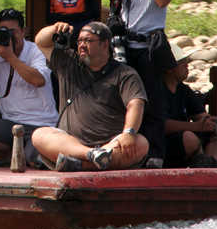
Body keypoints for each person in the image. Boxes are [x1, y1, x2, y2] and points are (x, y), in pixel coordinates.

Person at [31, 21, 149, 171]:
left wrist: (129, 132)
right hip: (71, 145)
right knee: (39, 135)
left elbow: (136, 103)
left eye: (87, 40)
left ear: (105, 44)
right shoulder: (68, 63)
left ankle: (79, 164)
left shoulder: (125, 73)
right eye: (79, 41)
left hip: (110, 145)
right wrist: (55, 28)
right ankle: (91, 156)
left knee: (141, 143)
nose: (81, 45)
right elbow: (41, 42)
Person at [106, 0, 179, 166]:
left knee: (152, 100)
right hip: (126, 45)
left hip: (150, 47)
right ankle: (124, 150)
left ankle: (155, 154)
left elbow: (161, 0)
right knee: (125, 97)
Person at [0, 8, 56, 161]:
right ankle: (14, 158)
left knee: (35, 160)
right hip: (11, 122)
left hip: (42, 123)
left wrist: (10, 57)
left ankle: (25, 158)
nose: (10, 36)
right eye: (4, 32)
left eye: (13, 32)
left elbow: (38, 80)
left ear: (23, 32)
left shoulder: (35, 51)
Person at [163, 44, 217, 168]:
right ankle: (208, 164)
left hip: (188, 139)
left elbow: (199, 114)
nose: (187, 65)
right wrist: (195, 126)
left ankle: (209, 165)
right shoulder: (158, 92)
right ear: (169, 68)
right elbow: (161, 124)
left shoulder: (183, 90)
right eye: (182, 62)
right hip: (167, 144)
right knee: (188, 138)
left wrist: (209, 123)